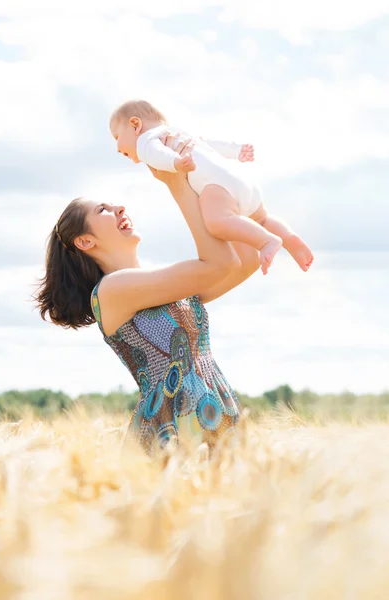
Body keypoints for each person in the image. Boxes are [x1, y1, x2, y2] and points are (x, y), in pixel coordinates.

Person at [35, 134, 260, 456]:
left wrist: (212, 180)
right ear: (85, 242)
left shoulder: (163, 285)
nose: (119, 207)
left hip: (216, 422)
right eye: (103, 209)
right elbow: (221, 262)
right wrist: (177, 184)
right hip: (168, 436)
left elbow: (245, 259)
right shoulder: (113, 290)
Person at [109, 99, 314, 275]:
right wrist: (236, 150)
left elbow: (156, 153)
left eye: (117, 137)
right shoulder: (178, 132)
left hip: (216, 185)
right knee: (262, 218)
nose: (117, 148)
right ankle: (288, 237)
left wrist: (176, 163)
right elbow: (208, 143)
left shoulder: (145, 140)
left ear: (135, 125)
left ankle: (266, 241)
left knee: (217, 223)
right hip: (240, 179)